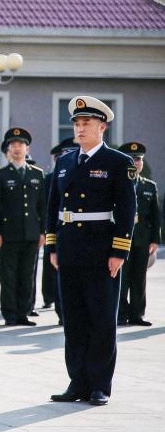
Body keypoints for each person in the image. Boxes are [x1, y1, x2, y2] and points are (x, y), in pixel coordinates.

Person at [47, 96, 136, 407]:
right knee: (74, 320)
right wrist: (52, 245)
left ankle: (99, 385)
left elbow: (126, 210)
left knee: (101, 318)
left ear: (102, 127)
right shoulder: (65, 162)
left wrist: (119, 251)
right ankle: (78, 382)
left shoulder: (118, 162)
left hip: (101, 250)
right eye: (77, 123)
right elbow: (53, 207)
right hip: (70, 248)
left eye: (86, 123)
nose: (80, 128)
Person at [0, 128, 47, 326]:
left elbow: (42, 206)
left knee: (27, 275)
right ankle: (10, 314)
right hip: (8, 234)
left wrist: (43, 231)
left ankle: (23, 313)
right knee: (8, 276)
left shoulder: (37, 174)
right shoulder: (0, 175)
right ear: (8, 149)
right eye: (13, 145)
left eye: (21, 144)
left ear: (27, 148)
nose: (17, 148)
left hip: (31, 233)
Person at [118, 142, 158, 327]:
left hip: (142, 239)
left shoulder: (149, 186)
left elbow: (155, 216)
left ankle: (137, 315)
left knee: (139, 278)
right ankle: (120, 314)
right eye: (132, 159)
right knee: (121, 277)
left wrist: (155, 240)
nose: (136, 163)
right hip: (121, 238)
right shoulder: (117, 183)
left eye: (139, 159)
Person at [41, 137, 77, 317]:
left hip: (81, 231)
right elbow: (48, 206)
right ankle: (60, 310)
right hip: (58, 228)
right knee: (56, 272)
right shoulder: (51, 178)